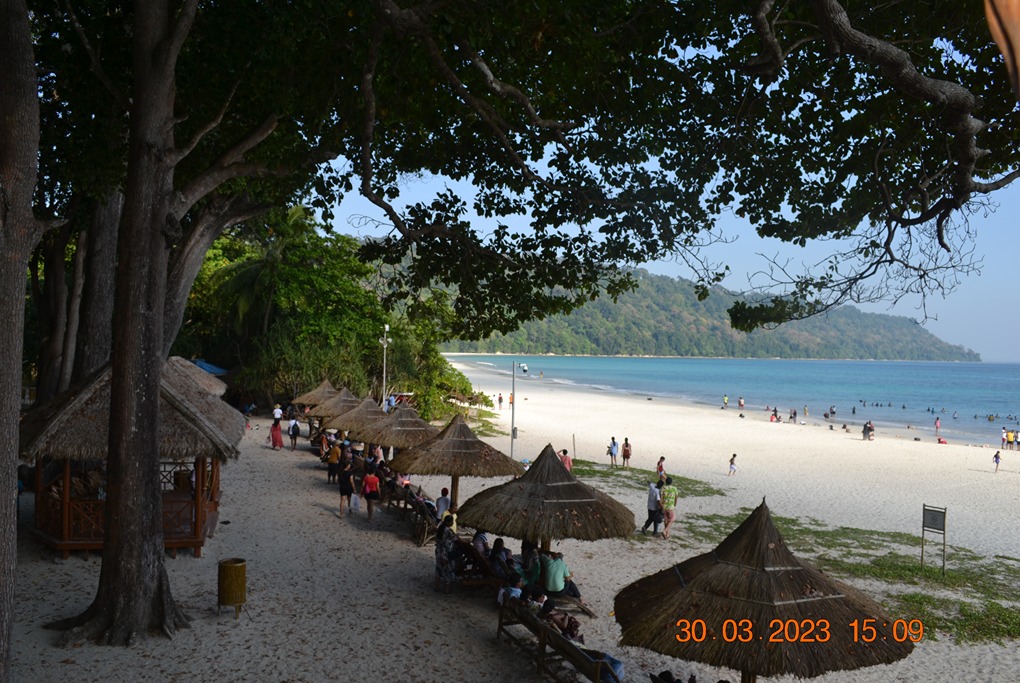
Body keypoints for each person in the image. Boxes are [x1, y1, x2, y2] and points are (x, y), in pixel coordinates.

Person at [434, 516, 458, 593]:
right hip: (445, 553)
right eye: (452, 521)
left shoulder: (440, 528)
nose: (453, 523)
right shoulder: (448, 530)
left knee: (438, 569)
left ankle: (437, 587)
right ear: (448, 522)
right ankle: (446, 590)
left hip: (438, 551)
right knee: (447, 570)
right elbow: (455, 538)